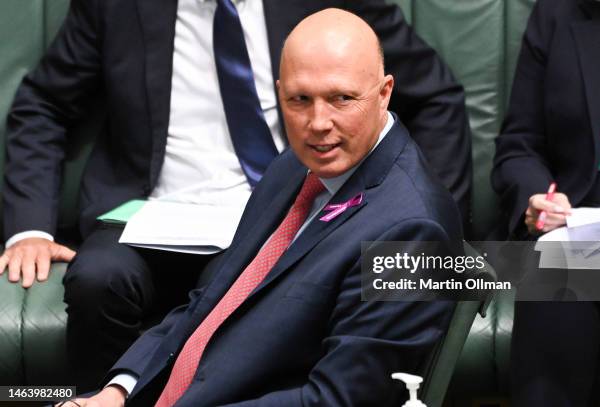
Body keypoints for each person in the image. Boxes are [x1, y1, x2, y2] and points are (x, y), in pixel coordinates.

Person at [1, 0, 470, 391]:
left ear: (384, 93)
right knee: (100, 280)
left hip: (268, 217)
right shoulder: (294, 167)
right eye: (299, 100)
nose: (319, 120)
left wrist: (438, 247)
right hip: (152, 213)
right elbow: (45, 104)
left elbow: (435, 99)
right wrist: (117, 391)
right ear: (283, 93)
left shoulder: (379, 202)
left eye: (340, 100)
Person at [491, 0, 600, 405]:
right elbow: (519, 145)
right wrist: (537, 197)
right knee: (556, 290)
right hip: (582, 224)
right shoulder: (559, 13)